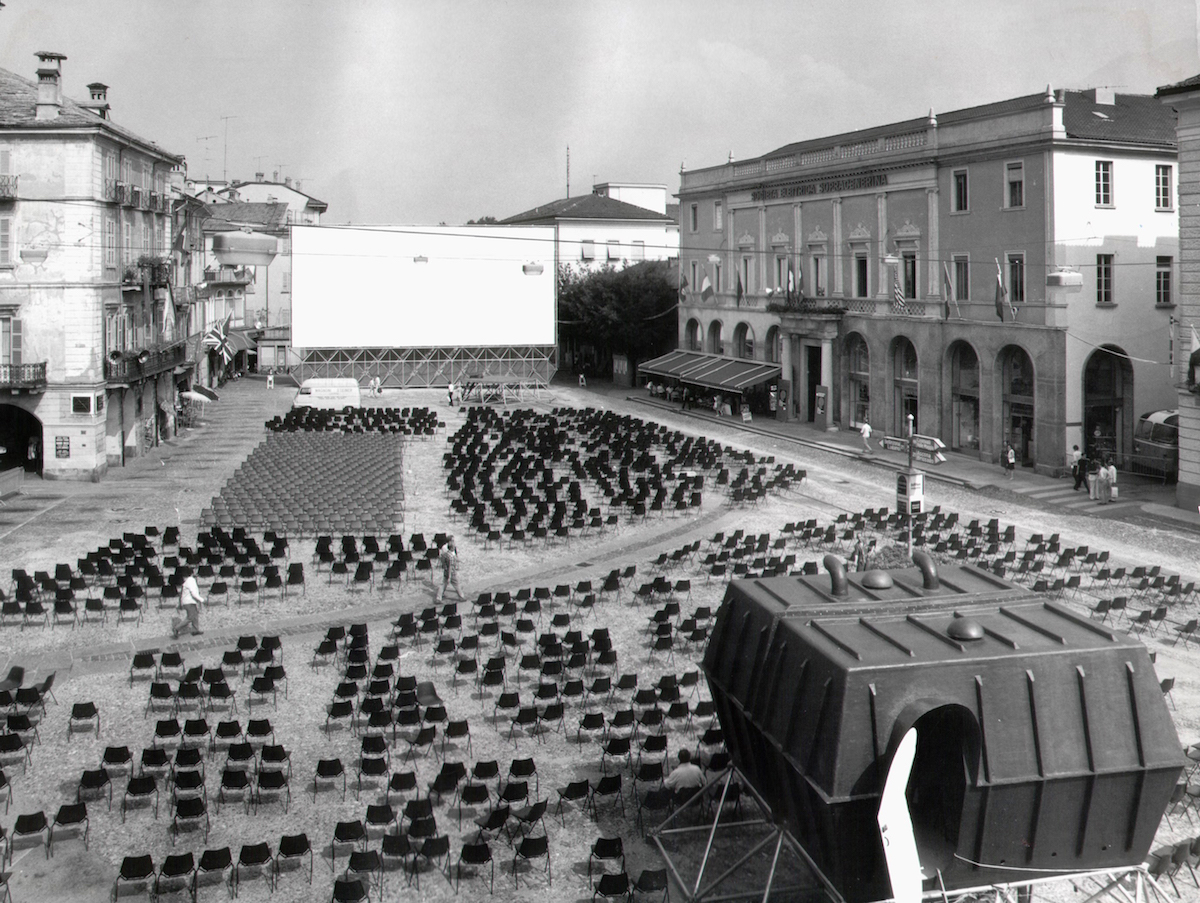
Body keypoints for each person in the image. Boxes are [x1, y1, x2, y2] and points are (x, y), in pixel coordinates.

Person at [171, 567, 204, 638]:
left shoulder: (186, 581)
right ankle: (176, 628)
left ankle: (195, 630)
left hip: (187, 602)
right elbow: (193, 593)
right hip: (189, 602)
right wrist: (201, 600)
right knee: (190, 617)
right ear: (192, 573)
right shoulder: (191, 580)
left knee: (195, 616)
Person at [434, 536, 465, 603]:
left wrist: (444, 566)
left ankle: (438, 598)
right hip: (451, 572)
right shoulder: (451, 556)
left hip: (446, 571)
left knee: (443, 584)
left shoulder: (446, 554)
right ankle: (461, 597)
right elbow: (451, 566)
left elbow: (442, 558)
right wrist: (449, 576)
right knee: (456, 584)